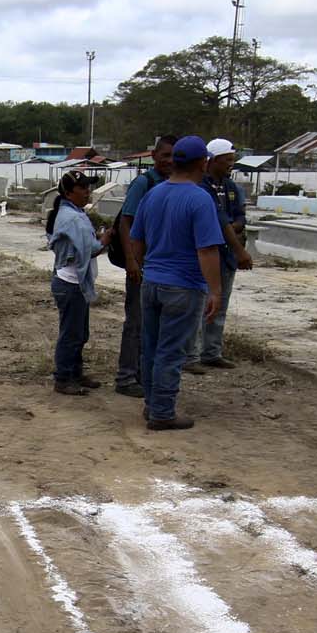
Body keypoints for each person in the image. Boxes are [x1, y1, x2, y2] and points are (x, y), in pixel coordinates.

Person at [128, 135, 224, 431]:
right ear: (203, 162)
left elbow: (136, 239)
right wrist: (216, 290)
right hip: (184, 286)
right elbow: (207, 249)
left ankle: (151, 404)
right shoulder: (199, 198)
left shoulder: (154, 194)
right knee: (171, 352)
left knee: (152, 347)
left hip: (153, 283)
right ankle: (163, 412)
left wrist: (147, 268)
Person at [113, 135, 176, 398]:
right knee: (136, 322)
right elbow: (126, 222)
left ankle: (143, 373)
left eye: (175, 156)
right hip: (142, 264)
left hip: (164, 266)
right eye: (165, 156)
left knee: (155, 326)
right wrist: (131, 260)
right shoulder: (144, 183)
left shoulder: (176, 184)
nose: (170, 161)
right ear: (154, 157)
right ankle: (126, 377)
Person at [183, 138, 248, 373]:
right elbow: (218, 222)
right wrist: (231, 234)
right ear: (212, 160)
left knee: (220, 304)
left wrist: (233, 228)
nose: (231, 164)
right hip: (207, 254)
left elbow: (238, 216)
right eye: (227, 160)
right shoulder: (202, 188)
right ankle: (191, 354)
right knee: (200, 304)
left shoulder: (231, 188)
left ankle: (211, 351)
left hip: (226, 255)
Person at [46, 171, 111, 395]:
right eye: (82, 188)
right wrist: (104, 240)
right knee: (72, 334)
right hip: (70, 283)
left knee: (79, 332)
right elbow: (90, 249)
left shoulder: (73, 213)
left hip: (73, 282)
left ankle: (74, 372)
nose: (87, 192)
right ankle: (63, 378)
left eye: (88, 187)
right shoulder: (72, 217)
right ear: (69, 192)